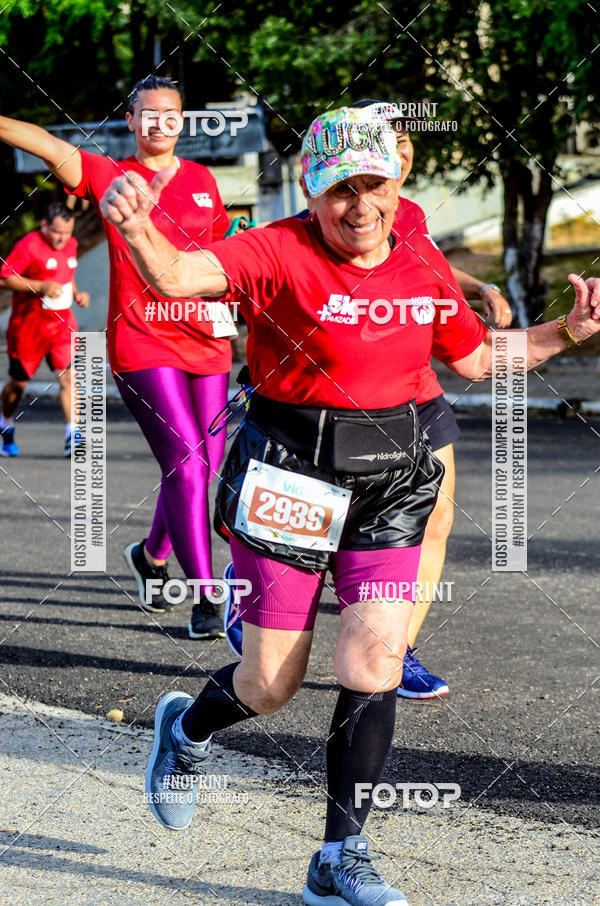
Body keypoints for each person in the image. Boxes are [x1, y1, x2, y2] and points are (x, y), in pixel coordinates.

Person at [99, 105, 600, 906]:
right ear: (312, 189)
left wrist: (563, 333)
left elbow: (473, 358)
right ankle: (186, 731)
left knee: (375, 661)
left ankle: (339, 856)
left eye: (375, 184)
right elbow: (180, 276)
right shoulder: (276, 249)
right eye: (341, 190)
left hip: (391, 484)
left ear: (397, 182)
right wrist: (136, 230)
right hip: (289, 477)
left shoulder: (420, 258)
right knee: (270, 684)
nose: (361, 206)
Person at [222, 98, 516, 698]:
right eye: (392, 140)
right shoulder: (326, 220)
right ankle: (259, 581)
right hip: (316, 405)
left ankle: (396, 648)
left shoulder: (403, 211)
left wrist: (479, 287)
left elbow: (427, 270)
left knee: (433, 521)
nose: (404, 149)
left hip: (414, 392)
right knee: (317, 527)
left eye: (407, 142)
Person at [0, 77, 231, 635]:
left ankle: (150, 557)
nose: (160, 123)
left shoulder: (203, 181)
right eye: (148, 114)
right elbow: (49, 147)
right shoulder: (110, 172)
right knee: (188, 462)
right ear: (131, 121)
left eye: (171, 114)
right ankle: (204, 596)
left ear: (183, 121)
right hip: (142, 340)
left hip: (207, 339)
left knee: (205, 462)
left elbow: (224, 250)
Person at [0, 201, 90, 457]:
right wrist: (40, 286)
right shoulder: (29, 245)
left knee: (69, 377)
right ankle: (5, 425)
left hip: (61, 326)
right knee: (18, 385)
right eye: (57, 232)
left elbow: (68, 271)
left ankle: (73, 435)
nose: (63, 238)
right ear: (44, 225)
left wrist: (77, 293)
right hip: (28, 328)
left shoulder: (71, 244)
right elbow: (5, 277)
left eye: (68, 232)